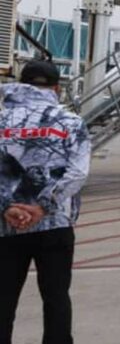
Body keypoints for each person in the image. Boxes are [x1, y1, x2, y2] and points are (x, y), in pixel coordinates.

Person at [0, 60, 90, 344]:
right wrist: (43, 207)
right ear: (56, 88)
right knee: (56, 299)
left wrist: (7, 207)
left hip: (6, 227)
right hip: (55, 225)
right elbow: (78, 173)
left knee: (3, 302)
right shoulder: (71, 122)